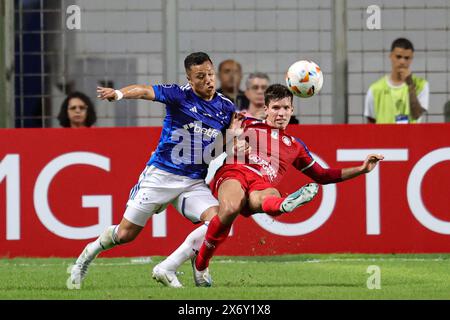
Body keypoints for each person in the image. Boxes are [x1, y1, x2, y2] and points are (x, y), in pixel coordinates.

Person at [158, 84, 384, 287]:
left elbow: (323, 175)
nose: (281, 113)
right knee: (230, 207)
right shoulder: (245, 123)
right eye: (276, 108)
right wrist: (232, 139)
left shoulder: (294, 146)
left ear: (292, 111)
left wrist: (362, 169)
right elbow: (212, 140)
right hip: (234, 172)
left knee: (267, 196)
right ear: (265, 109)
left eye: (286, 108)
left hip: (261, 184)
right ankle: (201, 264)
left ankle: (284, 204)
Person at [66, 52, 243, 289]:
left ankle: (171, 267)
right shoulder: (178, 95)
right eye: (200, 76)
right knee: (125, 234)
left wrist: (234, 140)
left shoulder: (226, 107)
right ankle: (86, 256)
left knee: (219, 222)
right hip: (160, 176)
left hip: (192, 182)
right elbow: (143, 90)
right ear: (190, 80)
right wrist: (119, 94)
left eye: (210, 74)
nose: (208, 80)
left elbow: (216, 151)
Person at [364, 38, 429, 124]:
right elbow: (370, 121)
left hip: (410, 137)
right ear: (391, 56)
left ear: (411, 59)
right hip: (384, 137)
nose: (402, 61)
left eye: (407, 58)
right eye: (398, 57)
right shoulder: (375, 89)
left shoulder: (421, 85)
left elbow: (416, 114)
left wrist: (410, 85)